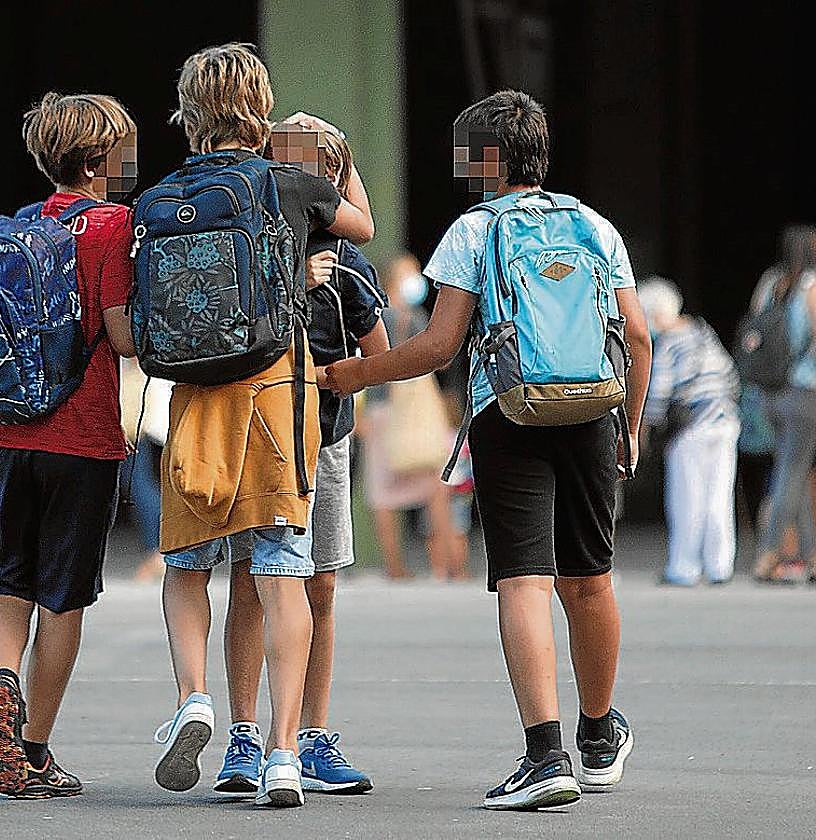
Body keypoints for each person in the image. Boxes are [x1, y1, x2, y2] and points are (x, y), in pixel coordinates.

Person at [325, 90, 652, 810]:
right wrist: (628, 426)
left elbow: (438, 346)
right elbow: (636, 335)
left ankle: (546, 757)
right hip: (594, 411)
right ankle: (598, 736)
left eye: (464, 150)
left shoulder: (475, 231)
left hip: (510, 413)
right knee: (591, 579)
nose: (456, 162)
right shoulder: (594, 225)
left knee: (525, 583)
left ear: (488, 159)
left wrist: (354, 372)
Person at [148, 43, 374, 810]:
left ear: (189, 113)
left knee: (189, 565)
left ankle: (195, 699)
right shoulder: (290, 182)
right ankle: (283, 753)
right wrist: (327, 155)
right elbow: (363, 226)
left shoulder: (165, 193)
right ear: (261, 105)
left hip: (192, 399)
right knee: (285, 576)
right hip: (279, 394)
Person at [0, 92, 138, 799]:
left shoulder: (8, 230)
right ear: (99, 160)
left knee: (6, 582)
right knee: (63, 599)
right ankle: (35, 750)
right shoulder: (111, 226)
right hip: (84, 437)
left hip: (4, 432)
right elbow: (123, 336)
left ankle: (1, 677)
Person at [215, 128, 387, 797]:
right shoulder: (250, 251)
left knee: (299, 588)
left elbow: (377, 355)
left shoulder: (343, 264)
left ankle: (293, 736)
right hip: (275, 437)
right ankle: (251, 736)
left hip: (307, 439)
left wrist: (324, 377)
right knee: (273, 585)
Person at [361, 254, 464, 580]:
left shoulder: (370, 315)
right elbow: (441, 359)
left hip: (378, 412)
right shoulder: (414, 319)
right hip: (412, 415)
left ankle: (395, 568)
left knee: (382, 493)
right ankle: (452, 568)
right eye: (410, 273)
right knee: (436, 488)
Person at [639, 278, 740, 586]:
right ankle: (720, 567)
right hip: (724, 421)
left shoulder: (670, 342)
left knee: (687, 497)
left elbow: (658, 393)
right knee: (719, 495)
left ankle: (684, 568)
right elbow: (731, 375)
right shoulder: (703, 332)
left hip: (690, 429)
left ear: (654, 314)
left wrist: (643, 430)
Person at [748, 226, 816, 583]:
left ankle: (811, 555)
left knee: (796, 469)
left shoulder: (771, 282)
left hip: (770, 393)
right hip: (804, 391)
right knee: (791, 473)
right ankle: (769, 554)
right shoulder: (811, 286)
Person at [119, 358, 171, 583]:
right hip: (136, 425)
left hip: (134, 427)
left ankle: (157, 551)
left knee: (141, 488)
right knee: (140, 487)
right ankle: (158, 551)